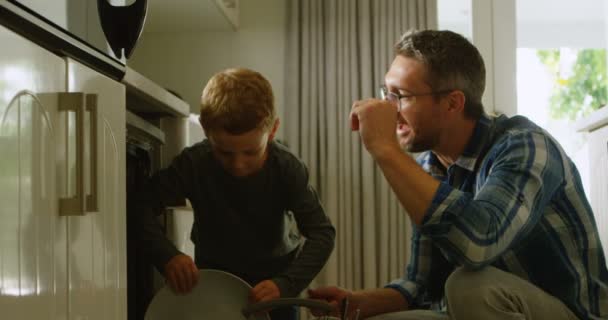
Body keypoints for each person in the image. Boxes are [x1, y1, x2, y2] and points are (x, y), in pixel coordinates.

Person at [308, 30, 608, 320]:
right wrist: (359, 303)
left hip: (570, 312)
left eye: (400, 96)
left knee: (468, 285)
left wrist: (386, 150)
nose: (389, 108)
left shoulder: (525, 146)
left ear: (453, 103)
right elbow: (423, 283)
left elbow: (479, 245)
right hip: (487, 309)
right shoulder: (431, 168)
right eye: (387, 93)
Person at [136, 68, 336, 320]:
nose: (238, 164)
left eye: (251, 152)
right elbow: (141, 204)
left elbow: (322, 234)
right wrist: (167, 256)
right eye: (224, 152)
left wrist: (285, 284)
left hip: (275, 292)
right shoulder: (193, 163)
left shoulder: (287, 168)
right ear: (206, 130)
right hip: (212, 286)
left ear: (272, 130)